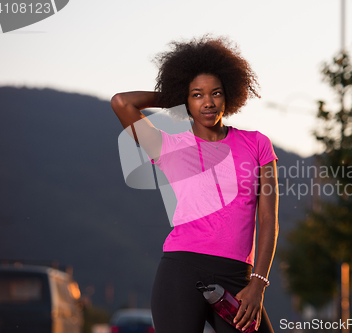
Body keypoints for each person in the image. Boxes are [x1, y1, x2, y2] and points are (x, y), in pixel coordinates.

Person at [111, 35, 278, 333]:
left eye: (215, 93)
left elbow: (268, 220)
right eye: (197, 95)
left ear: (229, 94)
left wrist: (258, 284)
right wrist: (177, 95)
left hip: (238, 276)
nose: (208, 102)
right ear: (186, 99)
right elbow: (122, 102)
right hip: (180, 271)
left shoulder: (257, 145)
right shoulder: (167, 147)